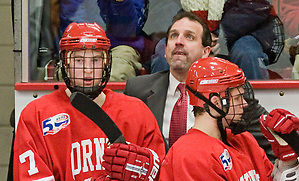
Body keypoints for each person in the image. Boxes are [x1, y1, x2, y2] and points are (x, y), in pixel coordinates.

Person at [13, 22, 165, 180]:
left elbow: (162, 171)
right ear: (65, 63)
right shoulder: (36, 115)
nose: (87, 69)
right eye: (78, 60)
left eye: (96, 60)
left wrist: (150, 173)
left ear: (107, 63)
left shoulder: (137, 112)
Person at [159, 57, 299, 180]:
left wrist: (288, 163)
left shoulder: (244, 140)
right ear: (216, 103)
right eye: (237, 98)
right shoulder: (190, 155)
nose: (244, 103)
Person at [124, 11, 212, 151]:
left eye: (189, 37)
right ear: (165, 50)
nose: (178, 41)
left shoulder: (223, 92)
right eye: (174, 36)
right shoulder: (137, 90)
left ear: (206, 52)